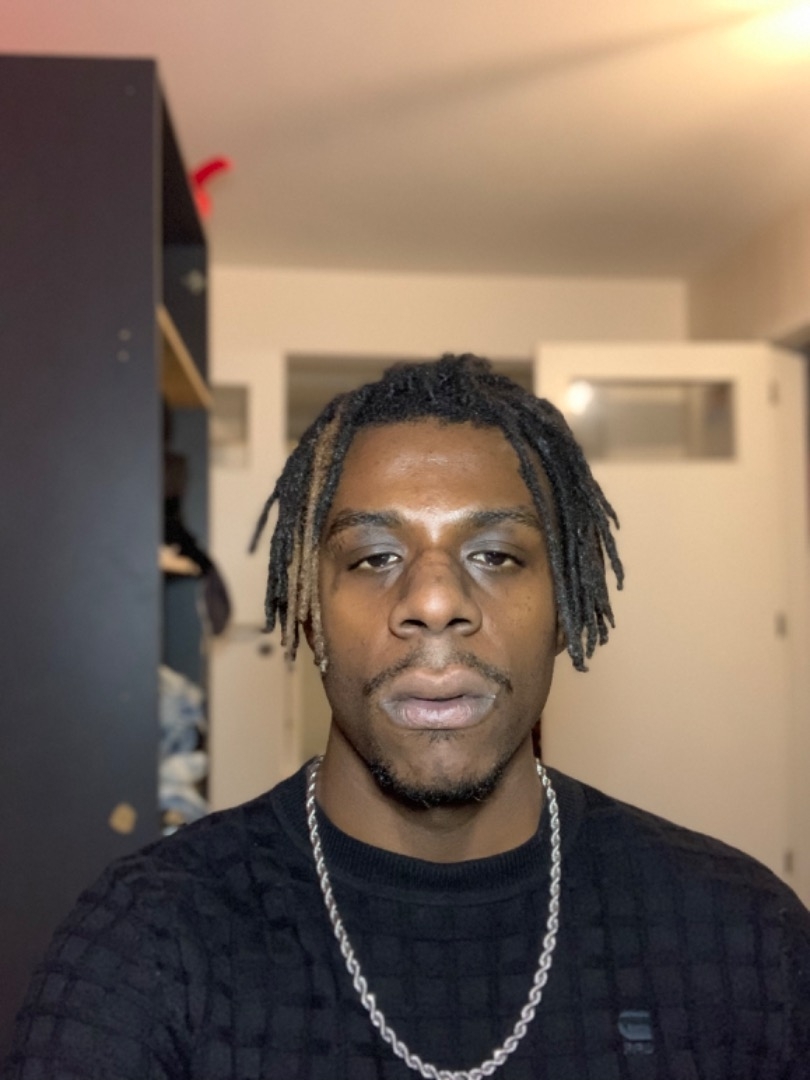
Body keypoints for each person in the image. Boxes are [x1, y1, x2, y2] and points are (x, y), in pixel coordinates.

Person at [4, 355, 809, 1079]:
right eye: (374, 557)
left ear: (566, 608)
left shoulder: (744, 937)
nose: (433, 600)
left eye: (495, 555)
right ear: (309, 613)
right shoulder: (148, 941)